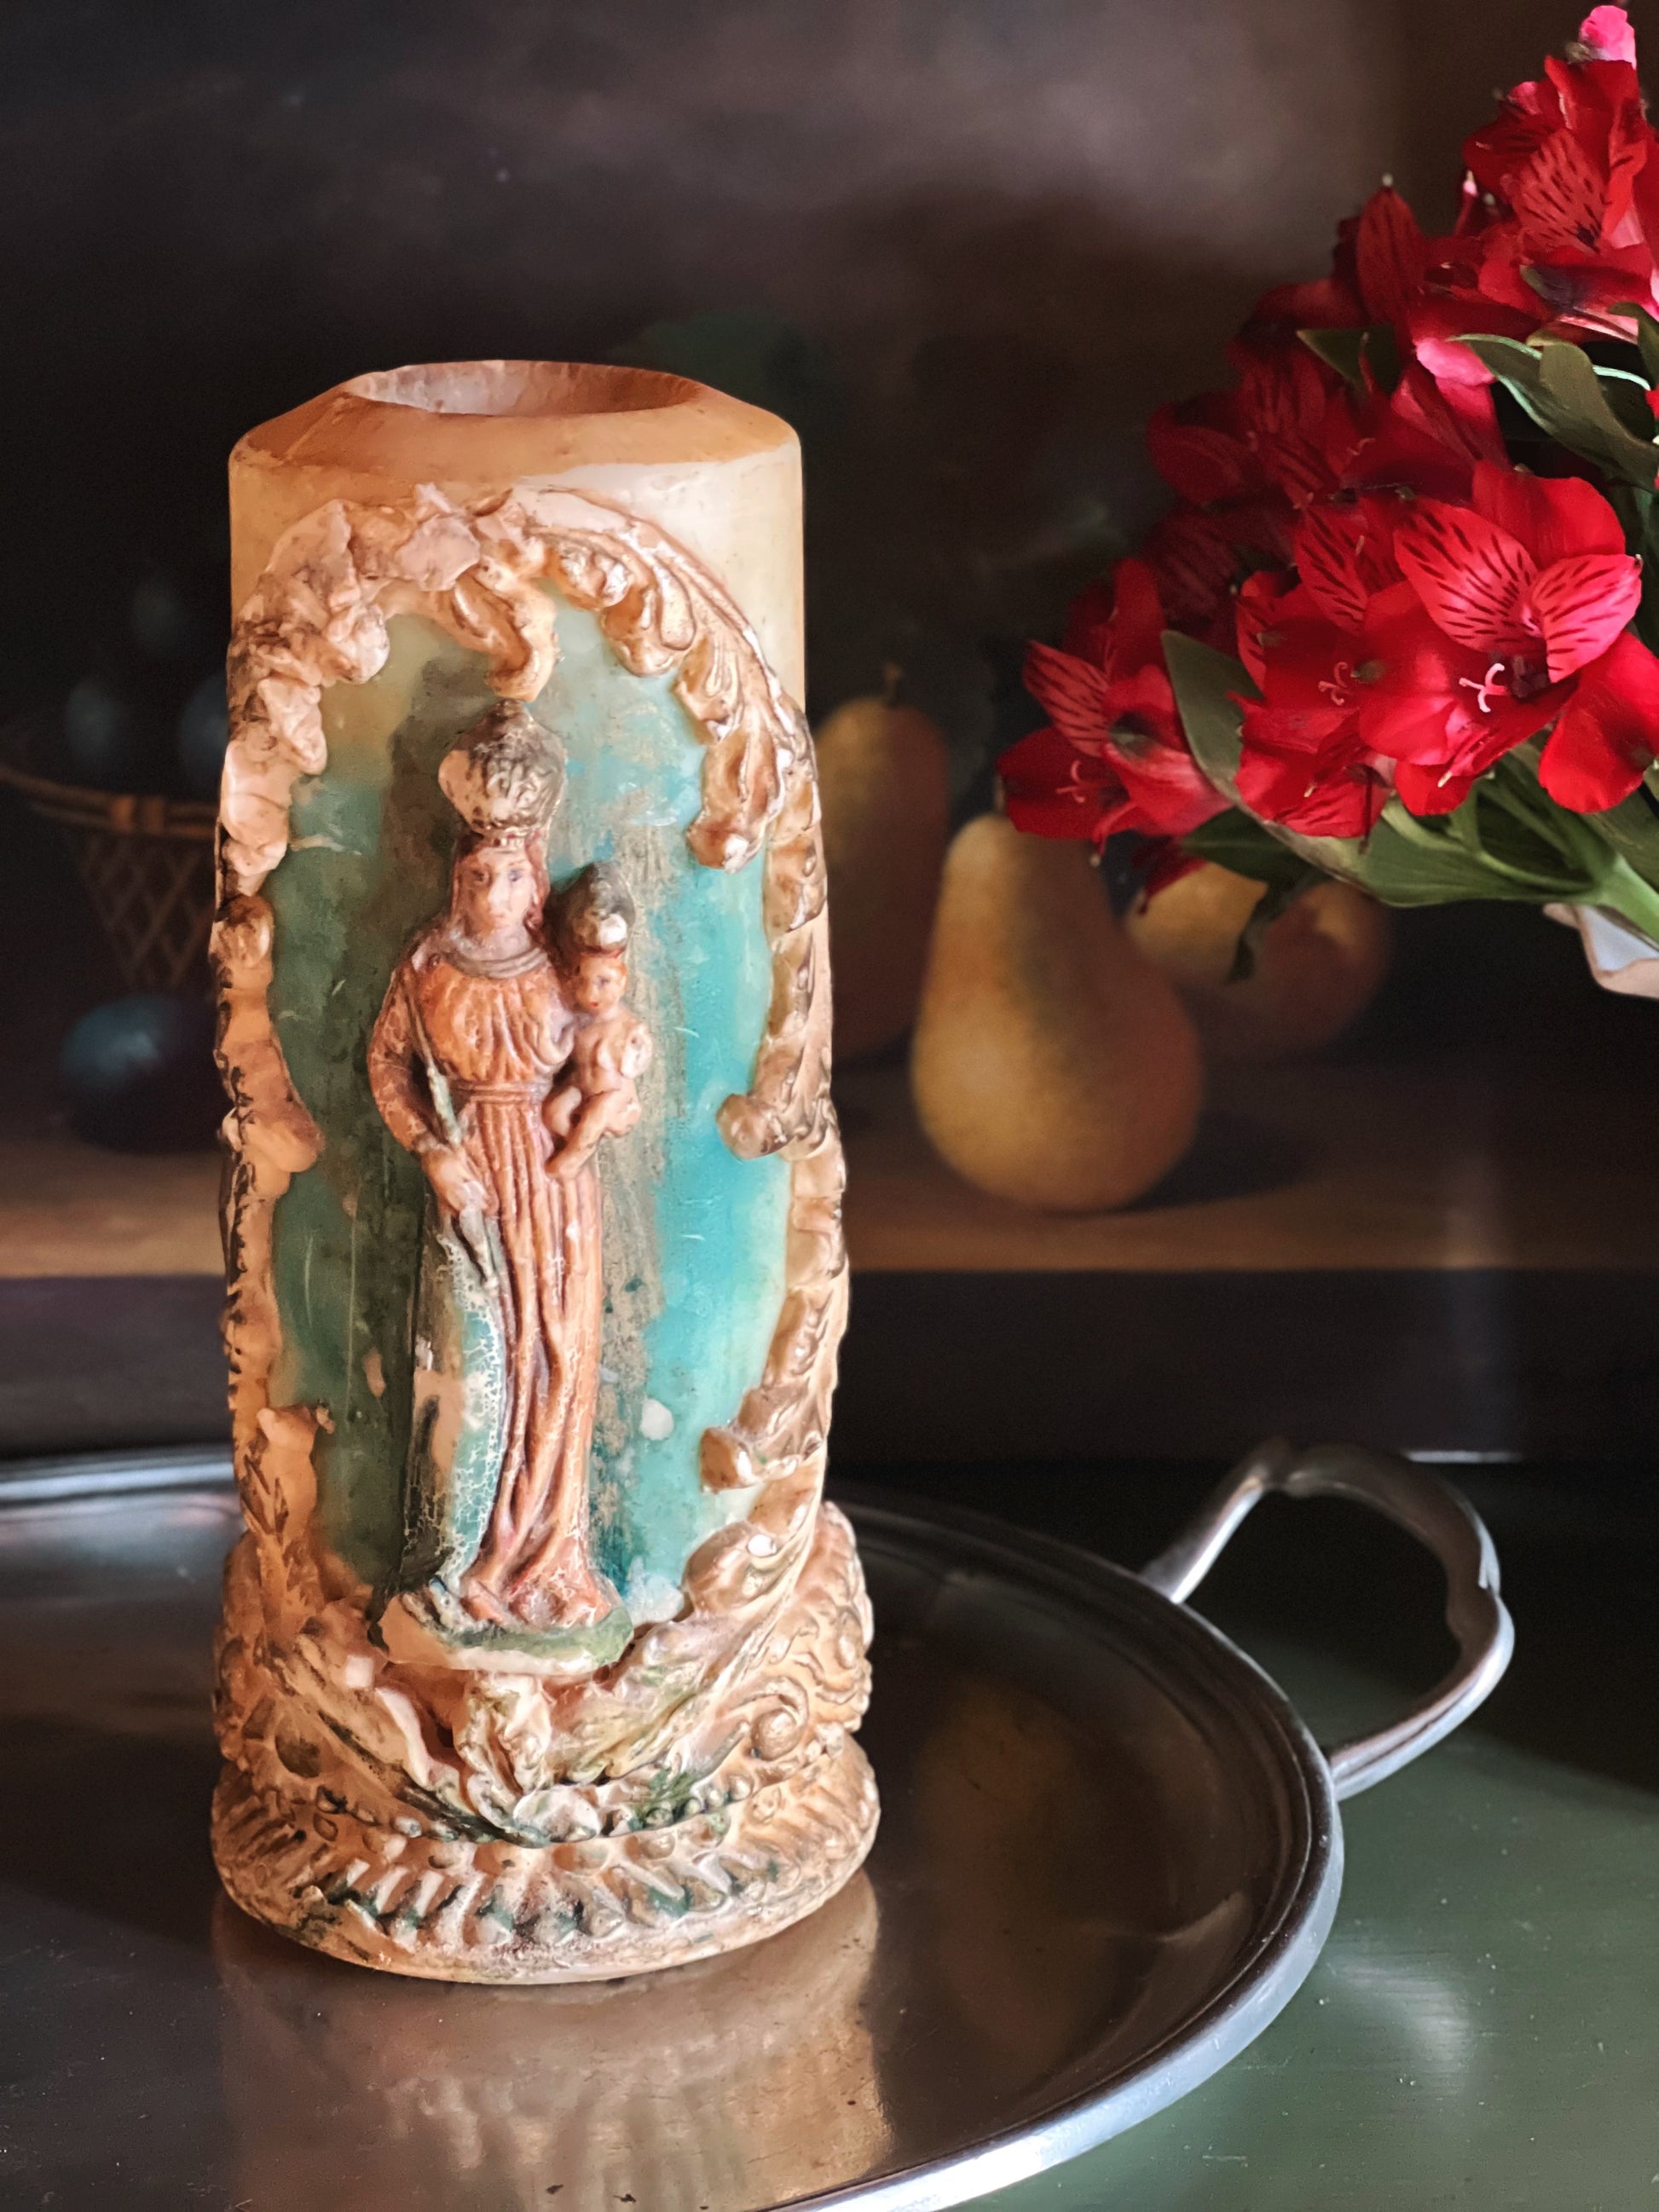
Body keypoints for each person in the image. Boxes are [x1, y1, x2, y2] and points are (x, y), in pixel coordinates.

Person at [367, 703, 647, 1645]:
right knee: (479, 1362)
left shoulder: (560, 973)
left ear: (534, 883)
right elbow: (387, 1065)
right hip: (472, 1176)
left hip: (553, 1183)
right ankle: (467, 1557)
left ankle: (546, 1558)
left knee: (555, 1361)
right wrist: (433, 1151)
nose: (489, 888)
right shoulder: (426, 966)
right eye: (474, 872)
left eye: (508, 873)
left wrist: (610, 1093)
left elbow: (604, 1060)